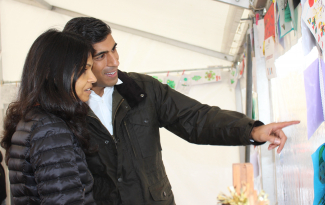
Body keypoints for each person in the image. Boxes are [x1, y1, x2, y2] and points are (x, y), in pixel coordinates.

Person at [63, 17, 300, 205]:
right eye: (101, 56)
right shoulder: (64, 109)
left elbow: (196, 118)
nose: (114, 61)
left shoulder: (143, 90)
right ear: (78, 61)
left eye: (114, 49)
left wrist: (252, 130)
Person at [1, 30, 98, 205]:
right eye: (84, 70)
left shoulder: (35, 119)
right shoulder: (50, 129)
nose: (93, 78)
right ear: (53, 73)